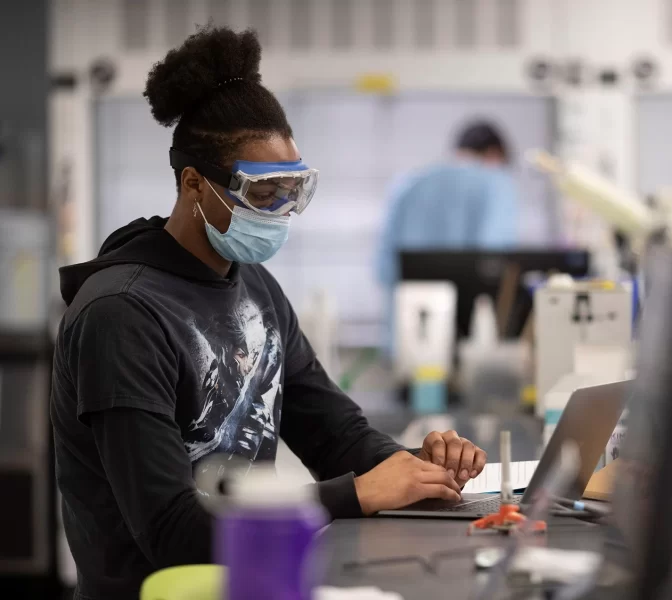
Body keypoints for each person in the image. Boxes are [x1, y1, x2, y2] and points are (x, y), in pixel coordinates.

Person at [50, 27, 487, 600]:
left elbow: (336, 434)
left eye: (293, 190)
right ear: (193, 186)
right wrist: (355, 494)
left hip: (252, 582)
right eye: (264, 194)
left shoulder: (255, 287)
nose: (283, 212)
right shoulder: (121, 317)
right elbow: (172, 531)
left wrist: (417, 467)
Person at [376, 121, 519, 351]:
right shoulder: (496, 184)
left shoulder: (408, 183)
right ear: (494, 154)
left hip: (410, 330)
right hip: (467, 337)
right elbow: (494, 264)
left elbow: (385, 267)